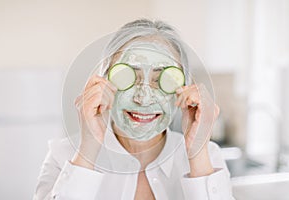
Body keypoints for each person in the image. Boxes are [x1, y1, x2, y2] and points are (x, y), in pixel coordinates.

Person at [34, 19, 235, 200]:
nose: (143, 98)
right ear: (103, 82)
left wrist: (198, 153)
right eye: (128, 77)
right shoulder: (63, 155)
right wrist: (88, 150)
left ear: (182, 90)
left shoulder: (209, 157)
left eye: (161, 80)